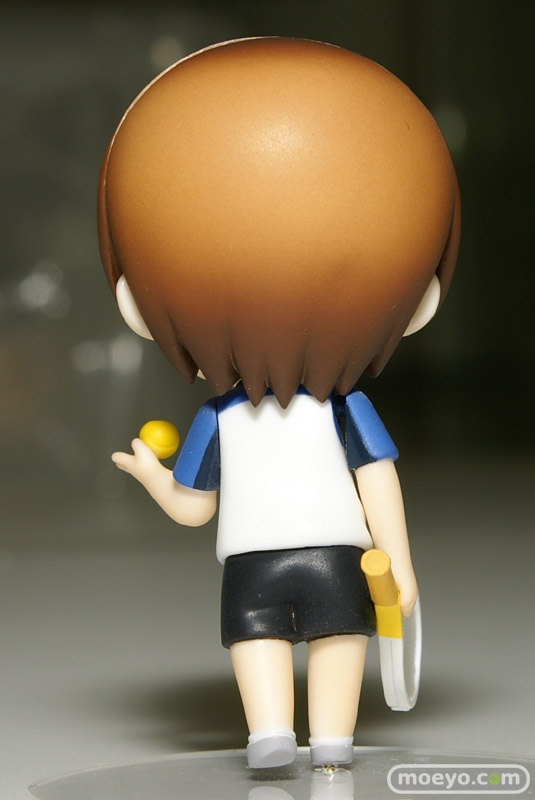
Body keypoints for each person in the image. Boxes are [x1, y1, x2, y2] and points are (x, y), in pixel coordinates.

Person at [98, 36, 460, 769]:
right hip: (286, 558)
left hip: (318, 556)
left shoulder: (309, 412)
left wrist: (398, 560)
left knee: (327, 640)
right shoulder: (225, 420)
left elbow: (375, 478)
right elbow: (197, 507)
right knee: (269, 641)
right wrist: (154, 479)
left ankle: (327, 737)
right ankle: (271, 731)